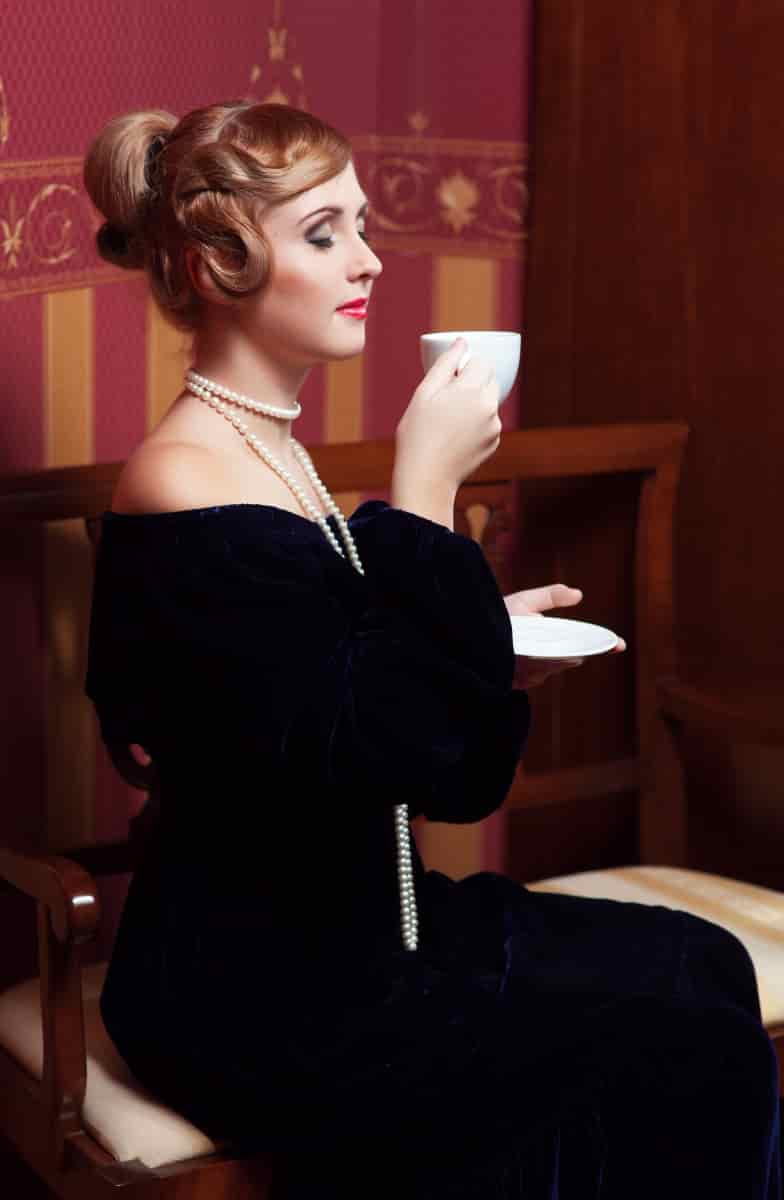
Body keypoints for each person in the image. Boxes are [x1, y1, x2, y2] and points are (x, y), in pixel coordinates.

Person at [83, 101, 780, 1199]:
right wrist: (425, 487)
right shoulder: (181, 485)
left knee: (699, 962)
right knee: (672, 1036)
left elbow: (384, 728)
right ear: (219, 264)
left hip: (372, 926)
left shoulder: (269, 459)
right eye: (324, 233)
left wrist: (482, 651)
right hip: (260, 993)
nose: (367, 259)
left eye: (360, 225)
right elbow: (400, 757)